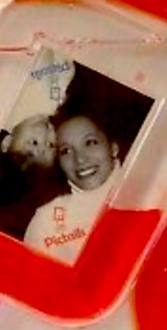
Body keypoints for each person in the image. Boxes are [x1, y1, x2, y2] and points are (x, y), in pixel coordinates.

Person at [24, 105, 122, 265]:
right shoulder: (46, 221)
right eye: (66, 151)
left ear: (113, 147)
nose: (80, 159)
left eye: (90, 142)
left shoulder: (153, 196)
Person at [0, 114, 67, 240]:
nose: (40, 150)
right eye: (34, 142)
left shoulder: (44, 193)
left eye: (50, 146)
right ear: (6, 143)